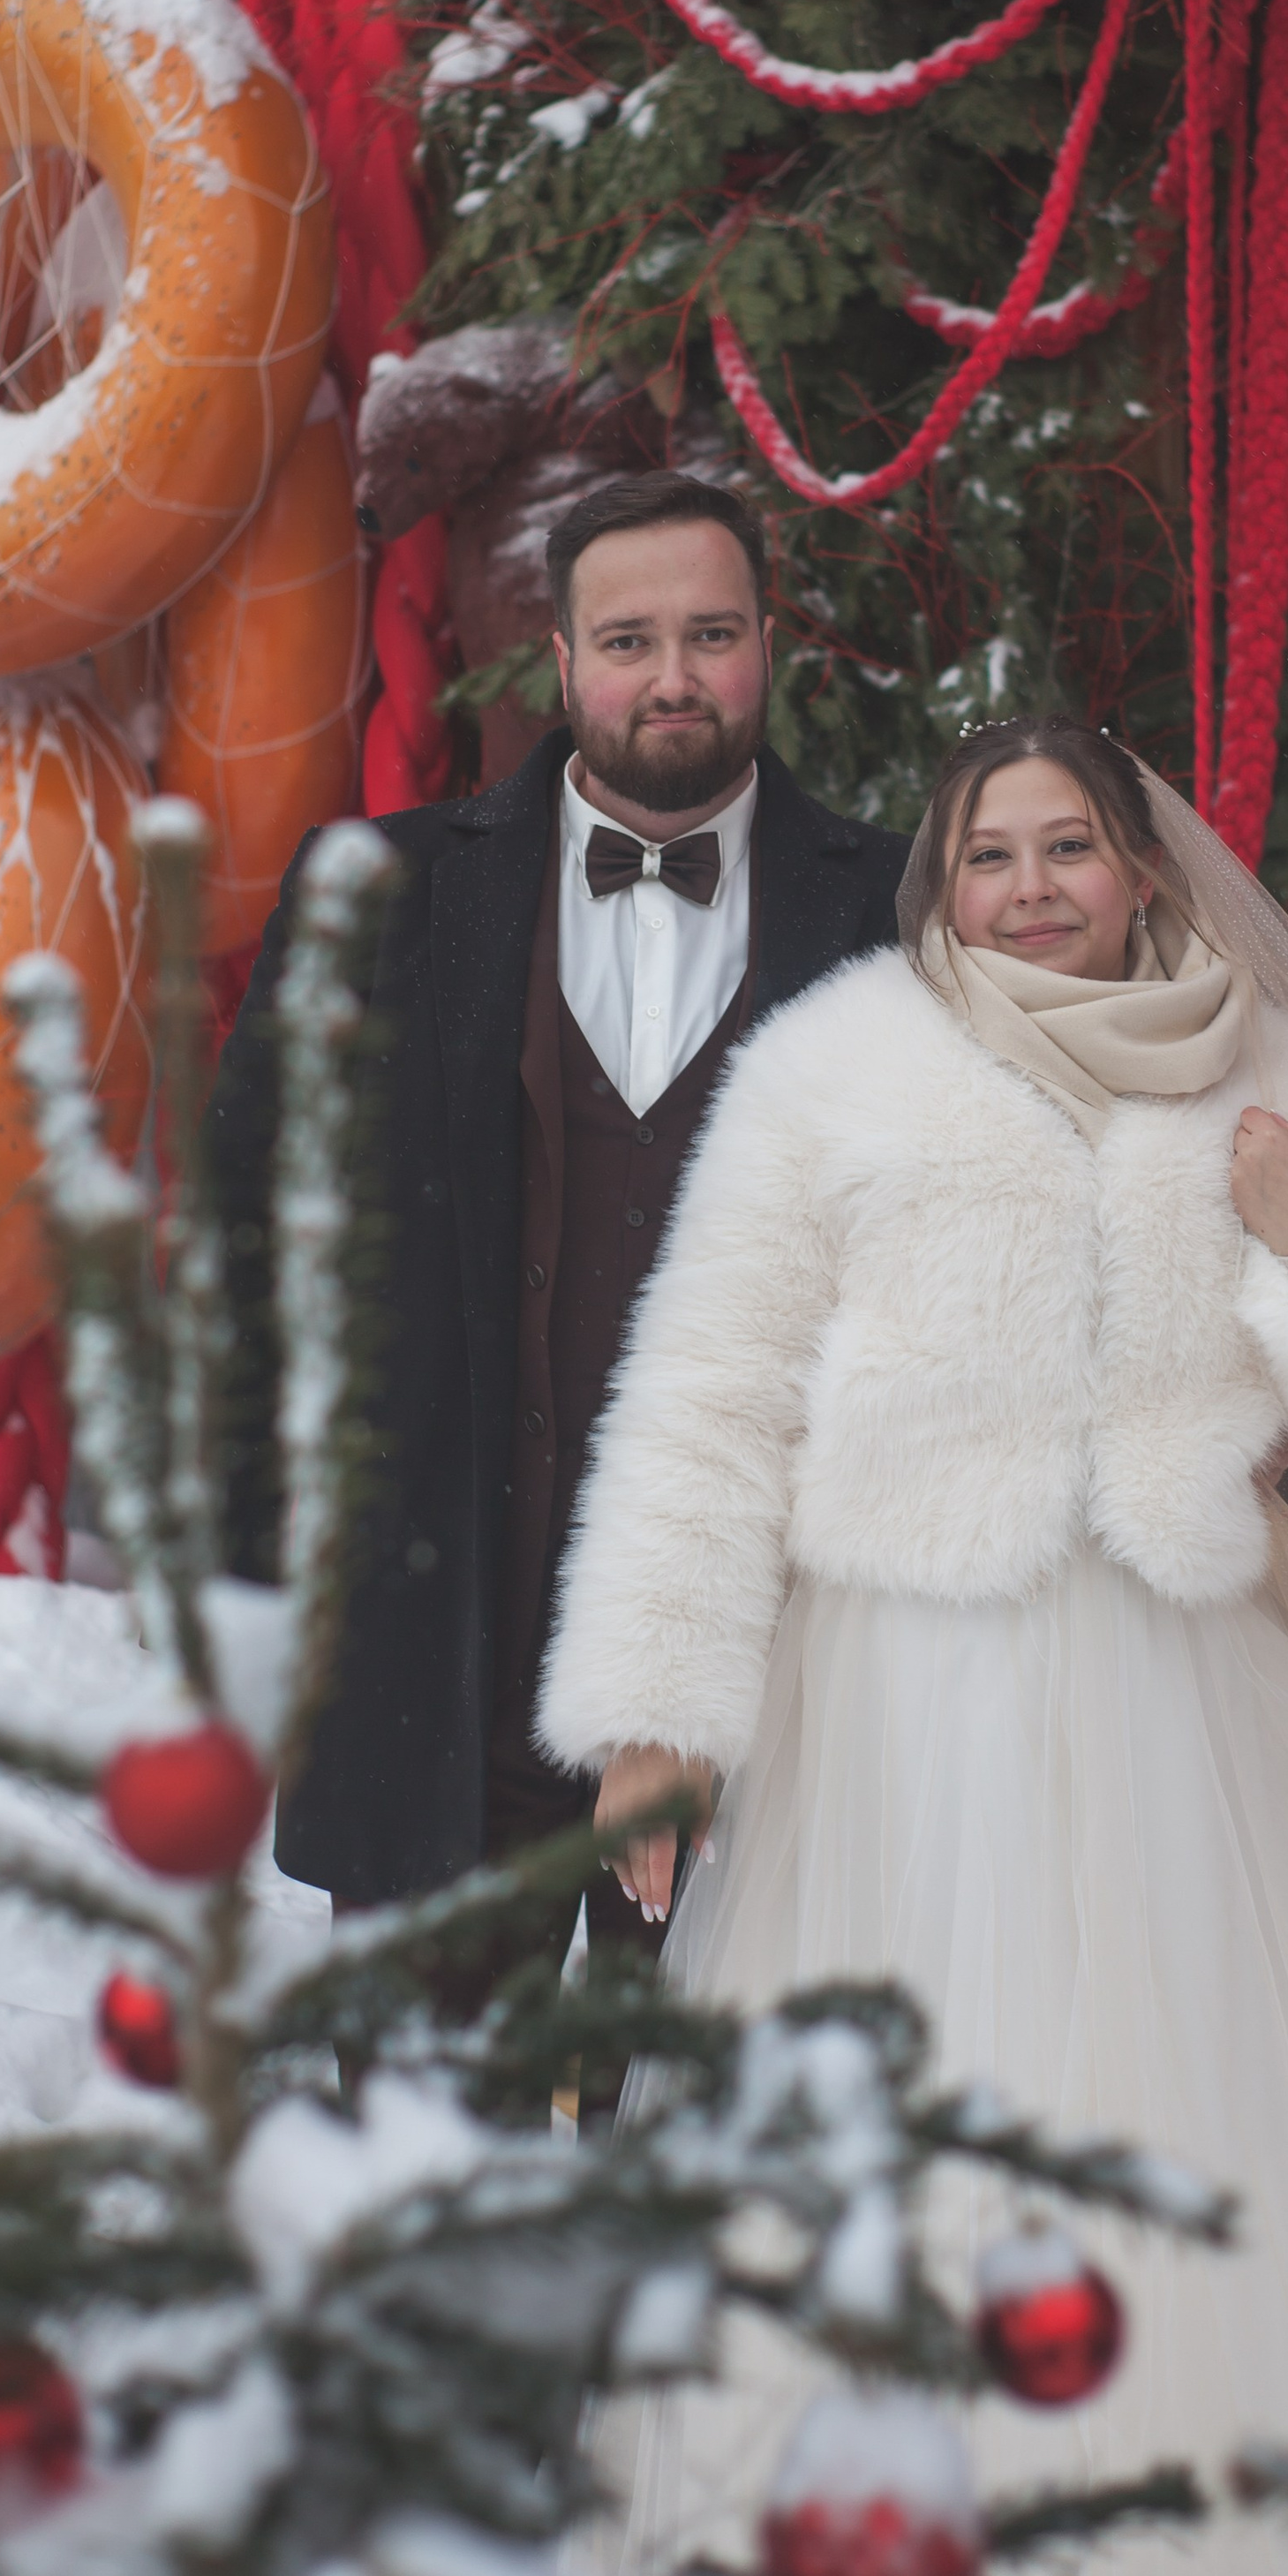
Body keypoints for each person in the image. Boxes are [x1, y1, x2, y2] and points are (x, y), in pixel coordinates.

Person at [537, 712, 1288, 2576]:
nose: (1030, 890)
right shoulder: (834, 1070)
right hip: (899, 1690)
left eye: (1066, 849)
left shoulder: (1269, 1079)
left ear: (1141, 872)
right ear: (939, 887)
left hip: (1174, 1683)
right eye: (989, 855)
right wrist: (654, 1710)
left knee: (1181, 2081)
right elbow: (710, 1394)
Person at [208, 469, 908, 1935]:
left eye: (712, 634)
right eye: (629, 640)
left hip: (773, 1697)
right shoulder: (376, 893)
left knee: (743, 2091)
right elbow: (243, 1239)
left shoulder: (894, 915)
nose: (673, 677)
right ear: (564, 658)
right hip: (435, 1661)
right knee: (420, 2087)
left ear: (770, 643)